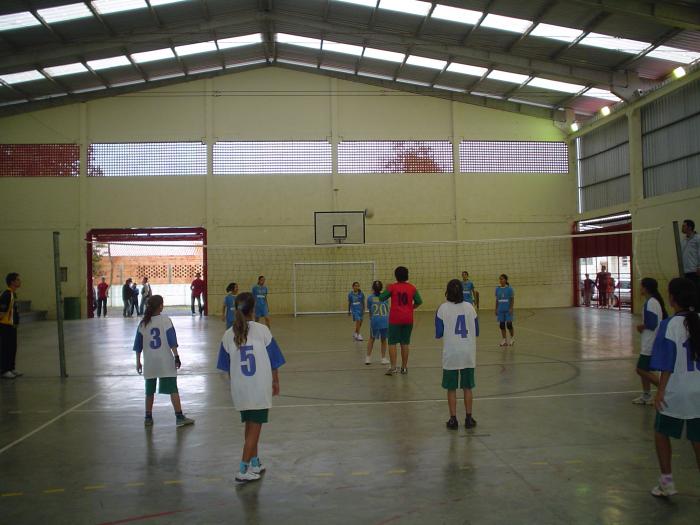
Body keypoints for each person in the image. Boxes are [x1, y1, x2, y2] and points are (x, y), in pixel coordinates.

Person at [216, 292, 286, 483]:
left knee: (250, 426)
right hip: (258, 387)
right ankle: (242, 469)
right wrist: (275, 381)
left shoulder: (228, 334)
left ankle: (255, 462)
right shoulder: (262, 330)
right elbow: (274, 360)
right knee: (254, 430)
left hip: (240, 388)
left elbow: (224, 365)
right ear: (253, 309)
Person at [648, 277, 700, 497]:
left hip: (676, 389)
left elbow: (665, 362)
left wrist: (660, 391)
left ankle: (667, 481)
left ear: (671, 298)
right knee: (697, 438)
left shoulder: (669, 324)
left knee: (661, 432)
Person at [133, 295, 194, 428]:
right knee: (173, 389)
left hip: (150, 361)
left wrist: (138, 362)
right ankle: (179, 416)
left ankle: (148, 417)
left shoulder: (143, 323)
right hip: (165, 360)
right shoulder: (166, 320)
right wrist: (177, 356)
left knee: (149, 391)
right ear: (160, 306)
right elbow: (172, 341)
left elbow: (138, 345)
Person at [436, 279, 479, 430]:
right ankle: (468, 418)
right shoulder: (470, 307)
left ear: (447, 291)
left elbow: (439, 333)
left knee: (451, 388)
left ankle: (453, 419)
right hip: (467, 352)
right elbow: (477, 330)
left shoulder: (442, 309)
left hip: (451, 353)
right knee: (467, 387)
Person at [379, 266, 422, 376]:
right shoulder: (412, 288)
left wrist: (387, 288)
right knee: (405, 342)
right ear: (407, 275)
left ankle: (393, 367)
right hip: (408, 318)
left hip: (395, 319)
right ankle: (404, 368)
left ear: (396, 276)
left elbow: (381, 298)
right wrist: (411, 308)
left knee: (392, 342)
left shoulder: (392, 287)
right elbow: (419, 301)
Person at [632, 278, 668, 405]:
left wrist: (641, 327)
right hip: (649, 341)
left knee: (640, 369)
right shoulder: (653, 301)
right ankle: (646, 395)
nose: (639, 288)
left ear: (646, 288)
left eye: (641, 286)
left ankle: (667, 390)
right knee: (645, 370)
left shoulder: (651, 303)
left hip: (650, 342)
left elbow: (652, 324)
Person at [0, 273, 22, 379]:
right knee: (6, 348)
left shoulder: (13, 294)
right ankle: (4, 370)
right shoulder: (6, 294)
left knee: (12, 348)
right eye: (17, 280)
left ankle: (11, 368)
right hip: (5, 327)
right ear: (12, 282)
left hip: (12, 327)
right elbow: (2, 312)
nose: (19, 281)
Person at [366, 280, 389, 365]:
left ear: (373, 288)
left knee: (371, 338)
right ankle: (383, 358)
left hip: (375, 320)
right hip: (384, 320)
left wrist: (371, 319)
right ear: (381, 288)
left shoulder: (370, 298)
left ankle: (368, 358)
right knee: (383, 339)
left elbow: (370, 310)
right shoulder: (385, 297)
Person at [681, 219, 700, 302]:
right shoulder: (683, 241)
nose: (682, 227)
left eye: (684, 226)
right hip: (685, 272)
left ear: (690, 227)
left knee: (696, 294)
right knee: (688, 295)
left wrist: (699, 267)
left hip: (695, 272)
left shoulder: (698, 239)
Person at [495, 274, 515, 346]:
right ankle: (504, 340)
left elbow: (512, 299)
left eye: (502, 279)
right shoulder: (497, 289)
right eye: (500, 279)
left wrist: (511, 308)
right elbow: (497, 300)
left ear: (506, 280)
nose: (501, 280)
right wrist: (496, 309)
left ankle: (512, 338)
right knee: (502, 325)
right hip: (500, 309)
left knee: (509, 324)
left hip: (507, 309)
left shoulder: (510, 289)